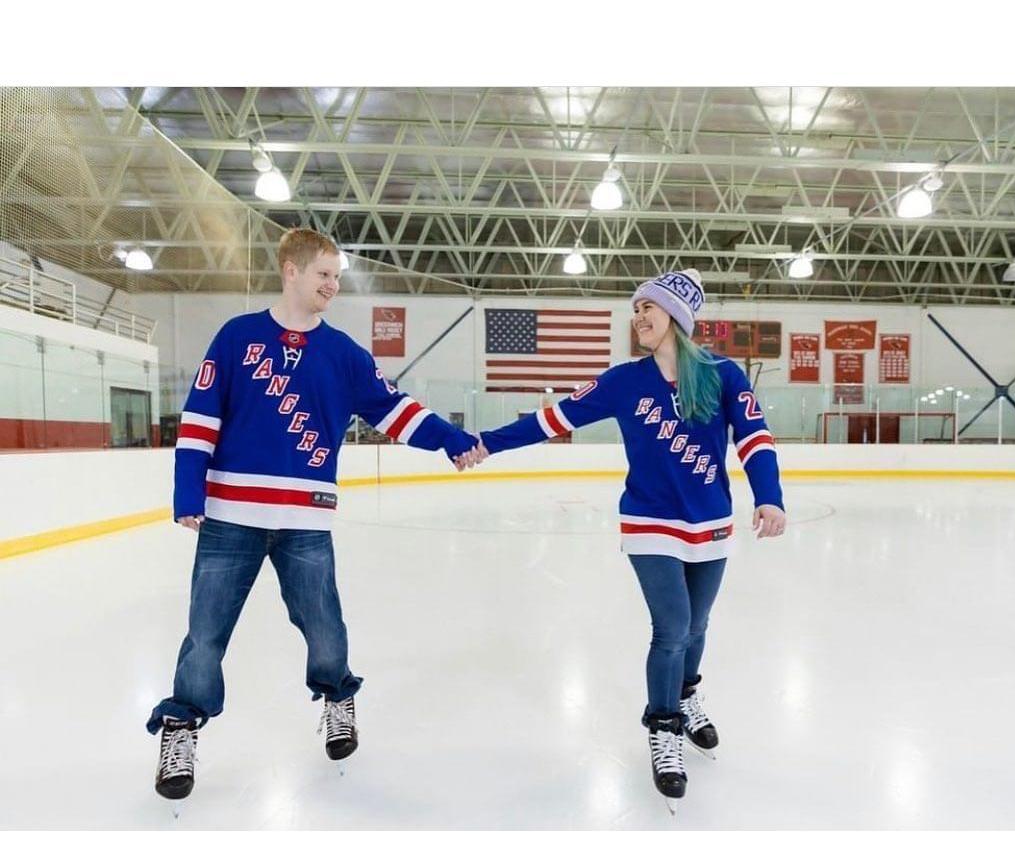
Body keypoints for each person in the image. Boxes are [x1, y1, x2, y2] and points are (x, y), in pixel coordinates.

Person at [147, 228, 484, 800]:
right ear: (291, 271)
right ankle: (181, 727)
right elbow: (201, 418)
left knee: (324, 627)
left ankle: (336, 699)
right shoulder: (237, 338)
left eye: (337, 276)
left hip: (307, 519)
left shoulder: (344, 355)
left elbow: (397, 411)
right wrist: (188, 492)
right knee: (205, 634)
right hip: (232, 517)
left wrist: (452, 439)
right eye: (324, 274)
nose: (333, 285)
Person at [477, 269, 785, 810]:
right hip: (649, 522)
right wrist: (485, 443)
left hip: (710, 521)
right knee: (671, 628)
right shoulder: (624, 381)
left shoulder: (722, 375)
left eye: (648, 307)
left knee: (698, 624)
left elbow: (755, 438)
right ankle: (662, 728)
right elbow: (553, 419)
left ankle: (686, 695)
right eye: (635, 308)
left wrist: (769, 494)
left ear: (678, 317)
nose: (638, 317)